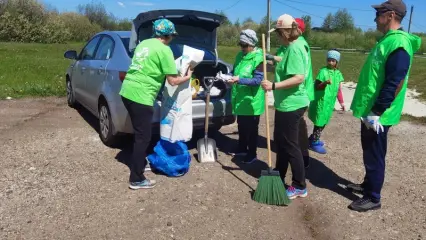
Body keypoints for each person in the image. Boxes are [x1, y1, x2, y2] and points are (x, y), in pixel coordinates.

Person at [347, 0, 421, 212]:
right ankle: (368, 185)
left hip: (378, 113)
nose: (375, 17)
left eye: (379, 13)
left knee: (374, 154)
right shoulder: (387, 41)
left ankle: (373, 197)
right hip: (371, 110)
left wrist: (377, 111)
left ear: (390, 15)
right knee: (369, 151)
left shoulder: (398, 43)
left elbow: (395, 81)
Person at [119, 18, 193, 190]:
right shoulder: (164, 50)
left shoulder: (144, 44)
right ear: (168, 35)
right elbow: (173, 80)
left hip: (127, 91)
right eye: (172, 36)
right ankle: (136, 179)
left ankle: (139, 162)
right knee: (143, 137)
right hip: (141, 96)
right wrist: (188, 77)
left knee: (139, 133)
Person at [261, 14, 310, 199]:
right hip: (285, 103)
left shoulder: (296, 48)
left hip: (293, 104)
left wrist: (272, 86)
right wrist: (271, 58)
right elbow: (284, 63)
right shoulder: (291, 47)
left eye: (280, 32)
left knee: (290, 145)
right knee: (281, 142)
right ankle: (279, 175)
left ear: (287, 31)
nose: (278, 36)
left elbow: (298, 78)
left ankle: (299, 185)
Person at [228, 29, 265, 164]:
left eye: (244, 45)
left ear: (252, 44)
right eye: (240, 44)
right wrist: (228, 76)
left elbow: (257, 81)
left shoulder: (259, 59)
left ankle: (252, 153)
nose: (242, 48)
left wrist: (239, 80)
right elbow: (235, 70)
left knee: (252, 129)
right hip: (240, 98)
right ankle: (242, 148)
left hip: (252, 101)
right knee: (241, 125)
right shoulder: (240, 55)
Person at [308, 50, 346, 154]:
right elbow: (317, 87)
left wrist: (341, 102)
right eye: (329, 60)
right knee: (319, 123)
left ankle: (312, 138)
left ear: (337, 62)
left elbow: (338, 90)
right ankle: (314, 143)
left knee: (323, 122)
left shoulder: (338, 74)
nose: (330, 62)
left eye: (333, 61)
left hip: (329, 103)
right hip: (321, 102)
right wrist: (325, 82)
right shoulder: (323, 72)